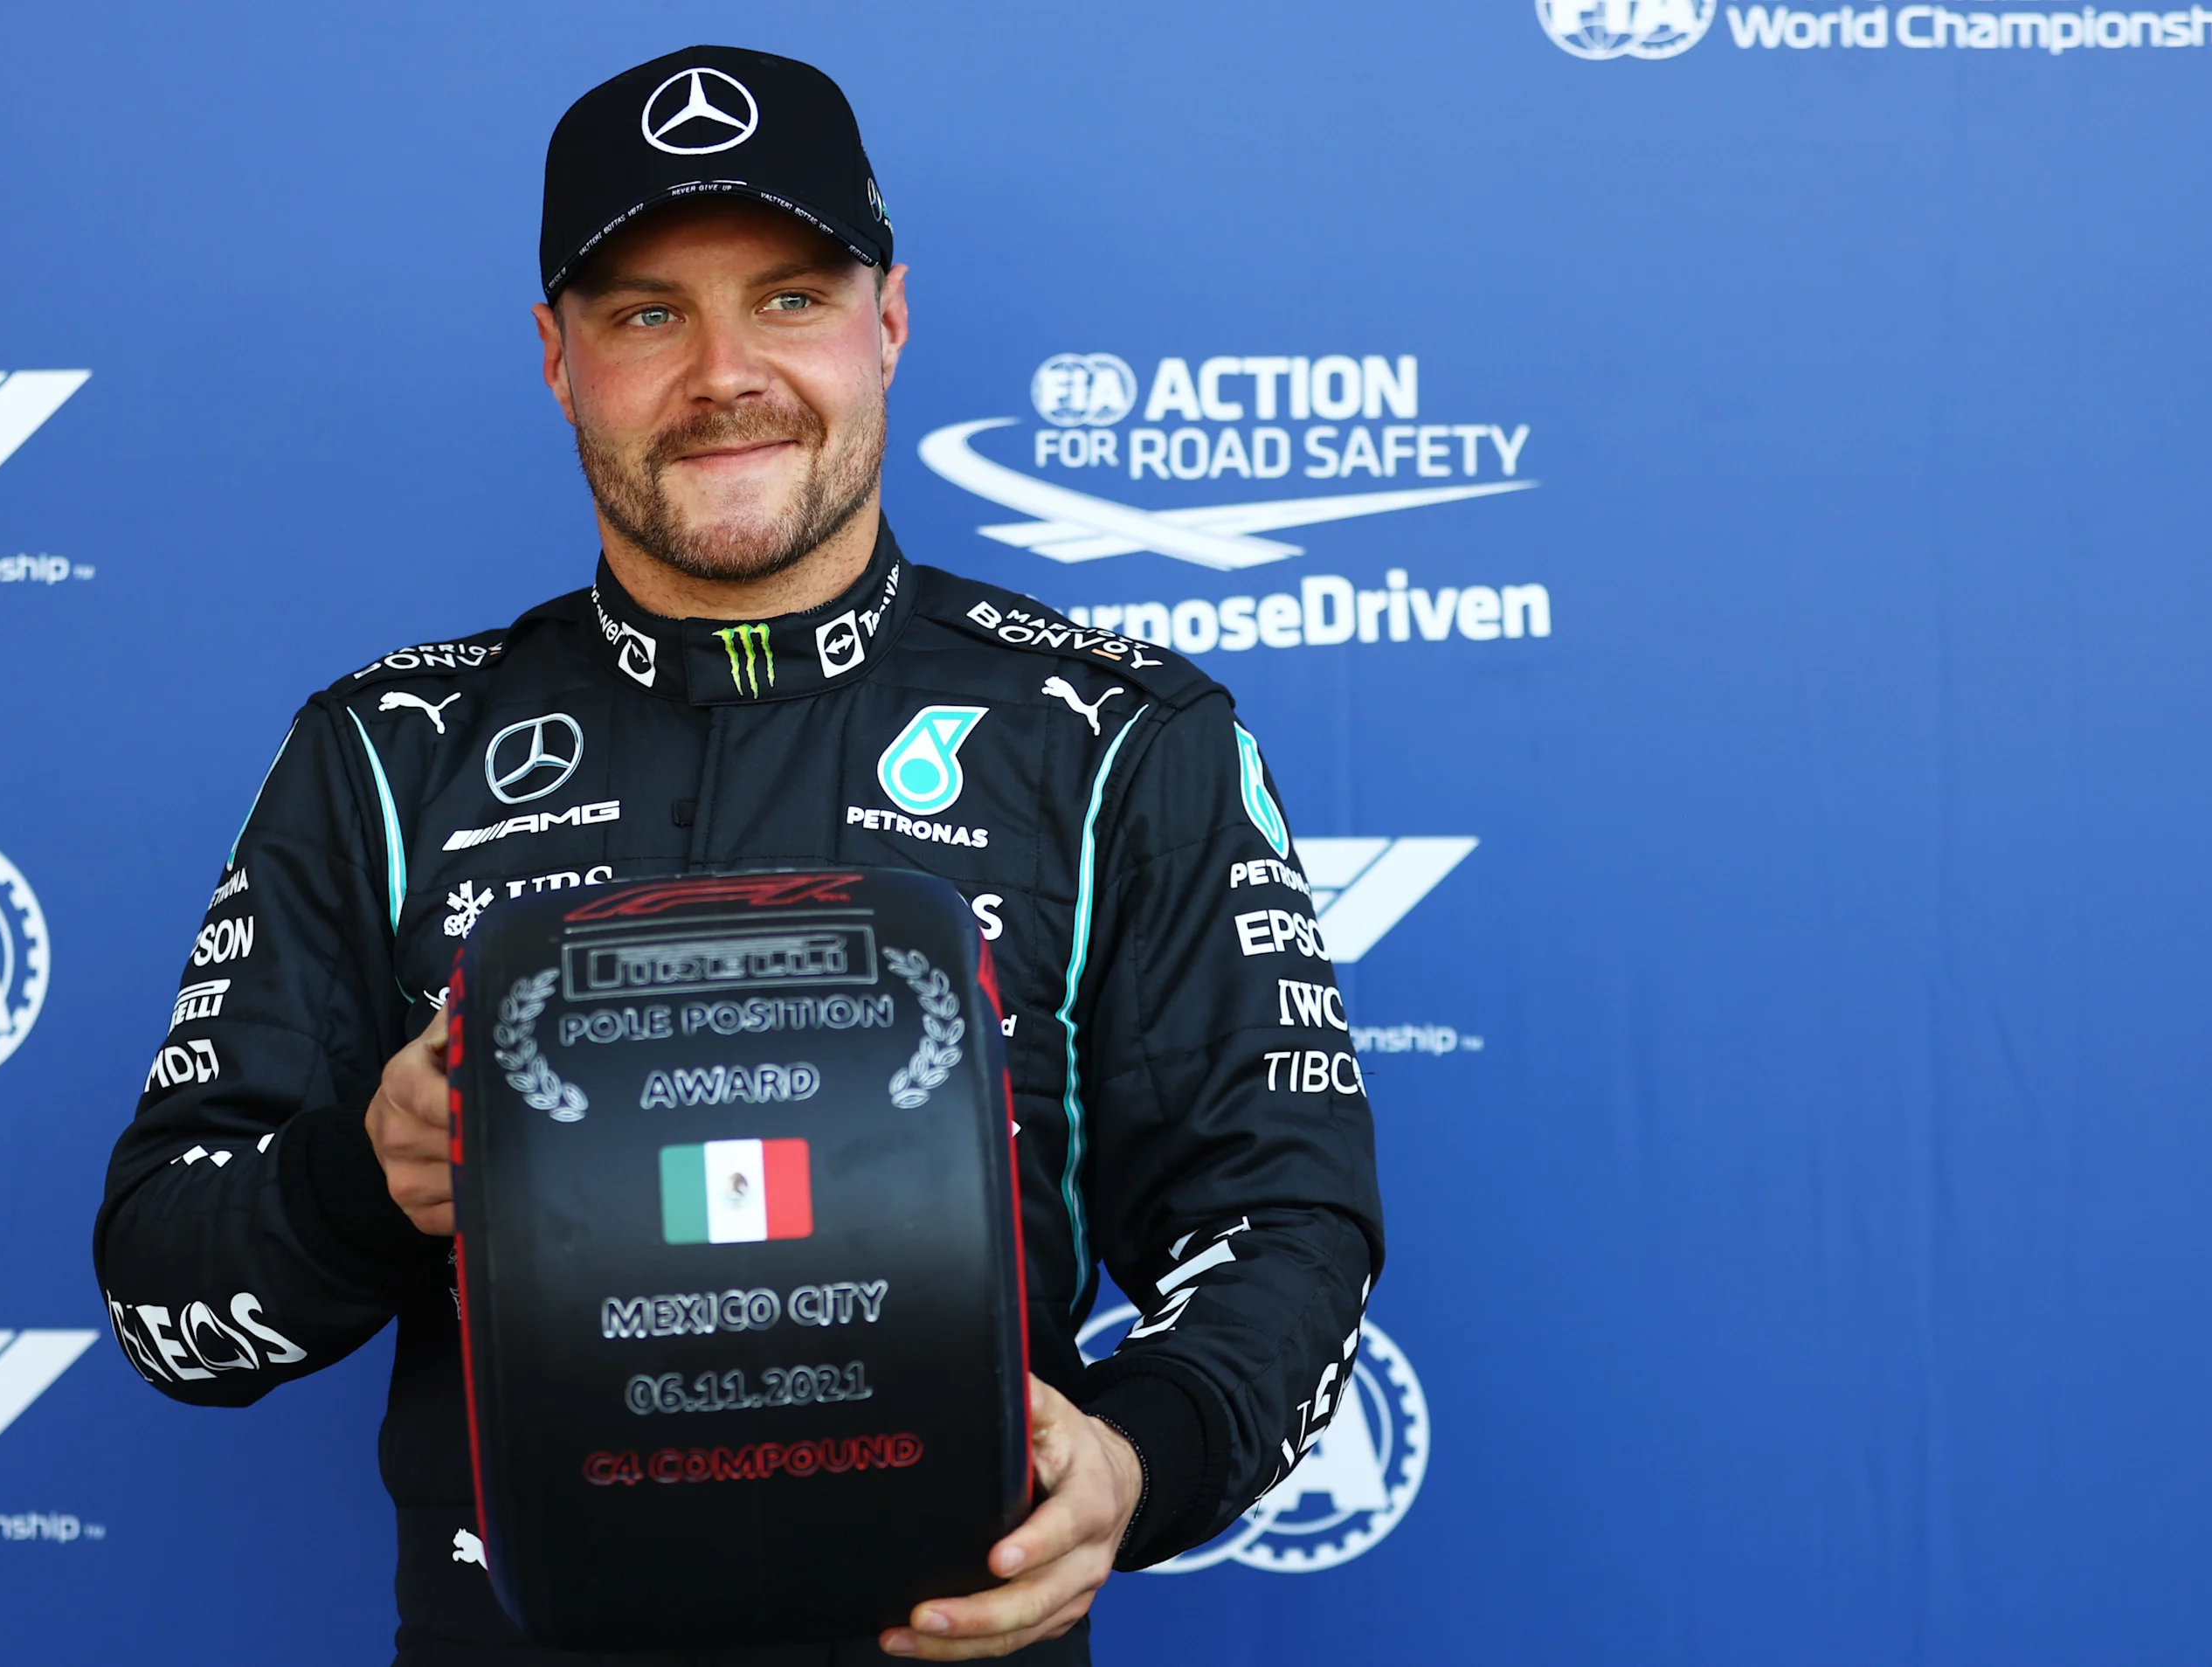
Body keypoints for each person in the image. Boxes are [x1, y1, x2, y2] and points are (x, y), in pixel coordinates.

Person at [93, 45, 1383, 1667]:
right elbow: (164, 1304)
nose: (724, 372)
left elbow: (1282, 1219)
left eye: (788, 299)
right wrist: (365, 1185)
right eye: (646, 313)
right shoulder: (384, 750)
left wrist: (1142, 1451)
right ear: (557, 359)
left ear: (888, 324)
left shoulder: (1119, 738)